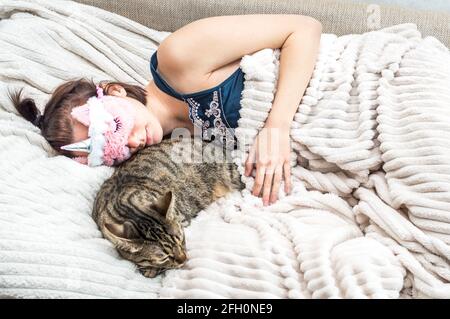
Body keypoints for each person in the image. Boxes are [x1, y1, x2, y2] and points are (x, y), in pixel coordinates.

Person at [10, 14, 322, 205]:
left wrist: (276, 126)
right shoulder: (175, 152)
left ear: (115, 90)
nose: (130, 144)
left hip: (343, 80)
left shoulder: (178, 58)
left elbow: (304, 29)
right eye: (109, 152)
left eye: (116, 126)